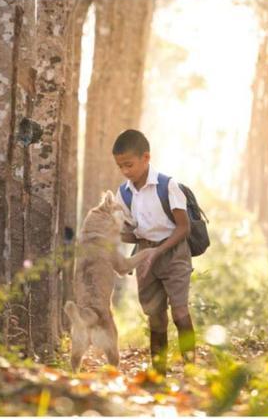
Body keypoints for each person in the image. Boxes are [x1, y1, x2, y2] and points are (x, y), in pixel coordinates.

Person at [112, 129, 196, 375]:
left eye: (129, 164)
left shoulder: (167, 185)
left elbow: (184, 227)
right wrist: (112, 233)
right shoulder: (124, 193)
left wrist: (158, 252)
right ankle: (159, 373)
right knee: (155, 316)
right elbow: (130, 232)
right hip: (145, 254)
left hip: (174, 252)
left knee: (180, 312)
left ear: (146, 157)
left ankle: (191, 370)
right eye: (120, 167)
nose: (125, 171)